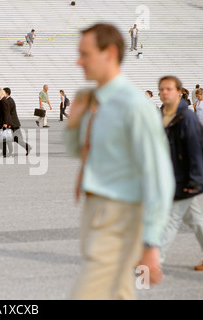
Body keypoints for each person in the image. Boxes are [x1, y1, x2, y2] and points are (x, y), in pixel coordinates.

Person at [66, 23, 175, 300]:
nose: (78, 61)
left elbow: (159, 175)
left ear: (110, 53)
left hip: (119, 216)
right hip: (94, 208)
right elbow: (81, 154)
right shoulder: (93, 101)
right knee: (119, 293)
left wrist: (151, 243)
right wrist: (74, 123)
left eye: (85, 54)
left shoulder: (133, 105)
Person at [158, 76, 203, 272]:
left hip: (185, 180)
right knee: (196, 220)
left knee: (170, 219)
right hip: (172, 179)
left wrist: (194, 181)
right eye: (161, 89)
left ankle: (154, 260)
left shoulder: (187, 118)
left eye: (169, 89)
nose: (164, 92)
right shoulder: (167, 116)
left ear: (179, 92)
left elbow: (196, 152)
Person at [3, 87, 32, 156]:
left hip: (12, 123)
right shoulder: (8, 100)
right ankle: (27, 147)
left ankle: (9, 152)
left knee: (10, 138)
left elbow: (8, 113)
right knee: (15, 138)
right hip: (13, 123)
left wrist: (7, 123)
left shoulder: (9, 101)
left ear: (7, 93)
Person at [0, 88, 12, 157]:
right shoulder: (3, 100)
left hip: (3, 123)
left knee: (4, 138)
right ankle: (1, 151)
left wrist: (6, 123)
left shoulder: (3, 101)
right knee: (1, 137)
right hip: (2, 122)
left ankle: (5, 152)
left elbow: (6, 113)